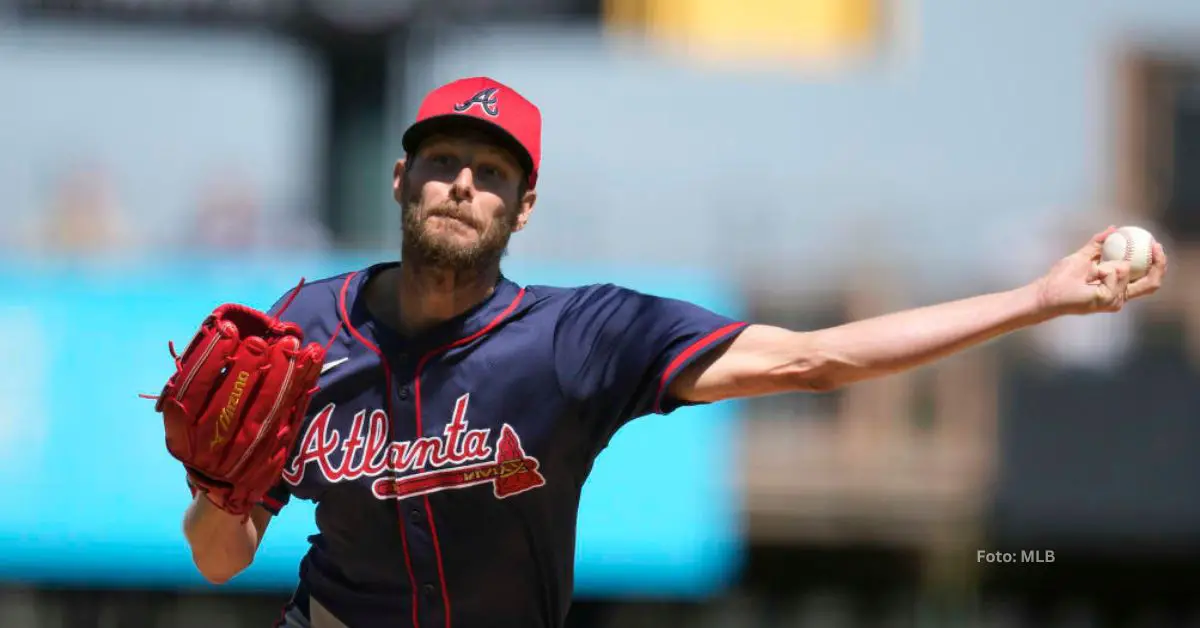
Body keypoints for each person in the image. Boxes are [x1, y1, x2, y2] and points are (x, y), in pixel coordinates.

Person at [178, 77, 1167, 628]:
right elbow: (222, 563)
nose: (462, 184)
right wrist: (217, 499)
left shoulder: (576, 338)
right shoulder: (303, 330)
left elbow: (809, 360)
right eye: (441, 161)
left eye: (491, 171)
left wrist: (1036, 299)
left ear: (525, 205)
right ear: (402, 179)